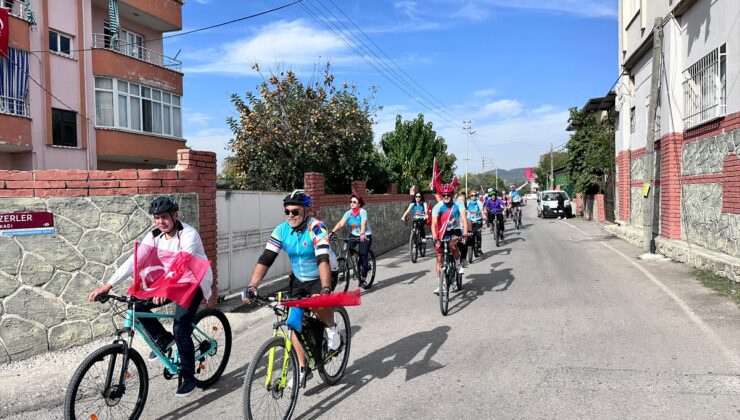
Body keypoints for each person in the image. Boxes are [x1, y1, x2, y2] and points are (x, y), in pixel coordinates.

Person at [88, 196, 213, 398]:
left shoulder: (188, 234)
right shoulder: (154, 235)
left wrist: (165, 288)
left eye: (164, 217)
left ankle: (189, 377)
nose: (160, 222)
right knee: (136, 306)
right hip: (170, 280)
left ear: (175, 215)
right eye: (156, 218)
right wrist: (108, 284)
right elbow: (134, 261)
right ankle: (164, 340)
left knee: (181, 326)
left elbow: (182, 262)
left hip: (194, 280)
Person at [242, 190, 339, 389]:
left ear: (306, 211)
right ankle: (303, 369)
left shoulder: (317, 227)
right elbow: (266, 259)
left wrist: (325, 289)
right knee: (293, 319)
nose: (290, 216)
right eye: (287, 211)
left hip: (324, 273)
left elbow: (322, 259)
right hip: (299, 277)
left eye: (295, 211)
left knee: (317, 303)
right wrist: (253, 286)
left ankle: (331, 328)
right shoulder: (281, 230)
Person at [431, 183, 468, 294]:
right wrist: (435, 237)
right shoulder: (438, 207)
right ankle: (441, 284)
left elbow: (464, 219)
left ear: (452, 195)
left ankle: (457, 264)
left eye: (448, 195)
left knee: (453, 244)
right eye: (444, 195)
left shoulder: (459, 204)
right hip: (442, 231)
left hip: (455, 230)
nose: (446, 197)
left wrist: (465, 233)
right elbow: (433, 223)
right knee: (439, 257)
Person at [330, 193, 373, 289]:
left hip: (365, 235)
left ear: (359, 204)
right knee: (347, 248)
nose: (352, 203)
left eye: (354, 202)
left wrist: (362, 234)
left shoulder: (362, 212)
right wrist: (332, 232)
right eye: (351, 201)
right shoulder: (348, 213)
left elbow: (363, 223)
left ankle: (363, 278)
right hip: (354, 234)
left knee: (363, 255)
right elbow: (341, 223)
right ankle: (355, 264)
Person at [466, 190, 484, 256]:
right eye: (472, 195)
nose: (473, 197)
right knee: (470, 235)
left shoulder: (479, 202)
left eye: (475, 195)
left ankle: (479, 248)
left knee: (478, 234)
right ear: (470, 196)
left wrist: (484, 217)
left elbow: (482, 210)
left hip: (478, 220)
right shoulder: (467, 203)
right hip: (470, 221)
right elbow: (464, 210)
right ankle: (471, 247)